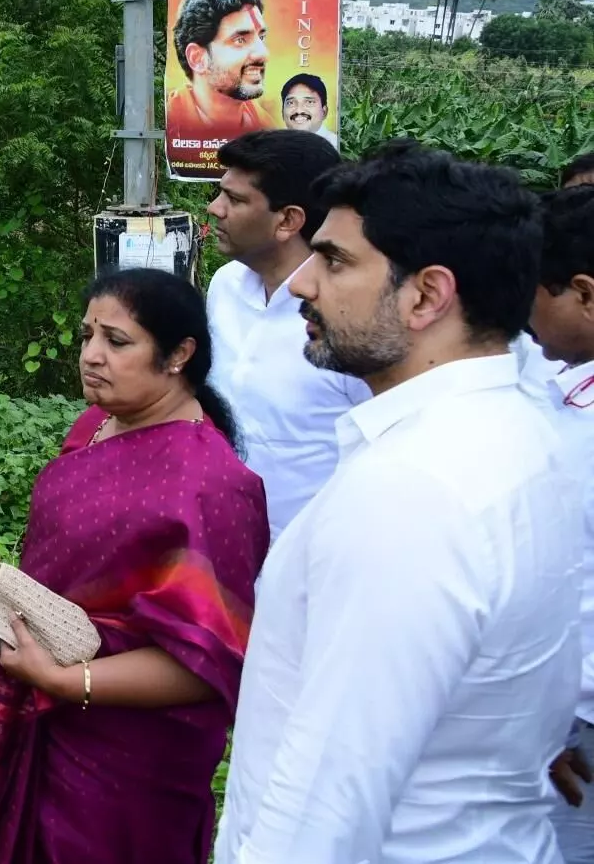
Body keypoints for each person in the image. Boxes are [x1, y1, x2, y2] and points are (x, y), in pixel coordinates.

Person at [218, 140, 577, 864]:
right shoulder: (529, 432)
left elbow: (327, 802)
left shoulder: (415, 492)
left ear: (426, 294)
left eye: (337, 260)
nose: (302, 286)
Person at [0, 268, 267, 864]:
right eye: (87, 336)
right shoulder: (94, 428)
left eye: (116, 342)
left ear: (179, 354)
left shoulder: (211, 485)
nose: (91, 356)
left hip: (131, 752)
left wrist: (67, 682)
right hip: (35, 701)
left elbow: (209, 662)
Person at [206, 130, 369, 542]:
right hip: (220, 549)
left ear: (288, 220)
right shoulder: (225, 287)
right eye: (220, 193)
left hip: (313, 562)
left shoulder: (348, 317)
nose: (215, 208)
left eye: (236, 200)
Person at [526, 187, 594, 862]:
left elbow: (564, 579)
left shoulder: (575, 422)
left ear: (584, 292)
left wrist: (547, 720)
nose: (526, 315)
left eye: (534, 293)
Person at [166, 0, 277, 160]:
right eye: (240, 39)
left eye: (261, 37)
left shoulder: (269, 129)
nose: (264, 54)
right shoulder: (171, 124)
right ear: (198, 58)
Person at [279, 72, 340, 150]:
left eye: (309, 102)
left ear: (324, 112)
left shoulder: (336, 148)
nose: (299, 110)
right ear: (282, 112)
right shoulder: (272, 147)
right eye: (291, 103)